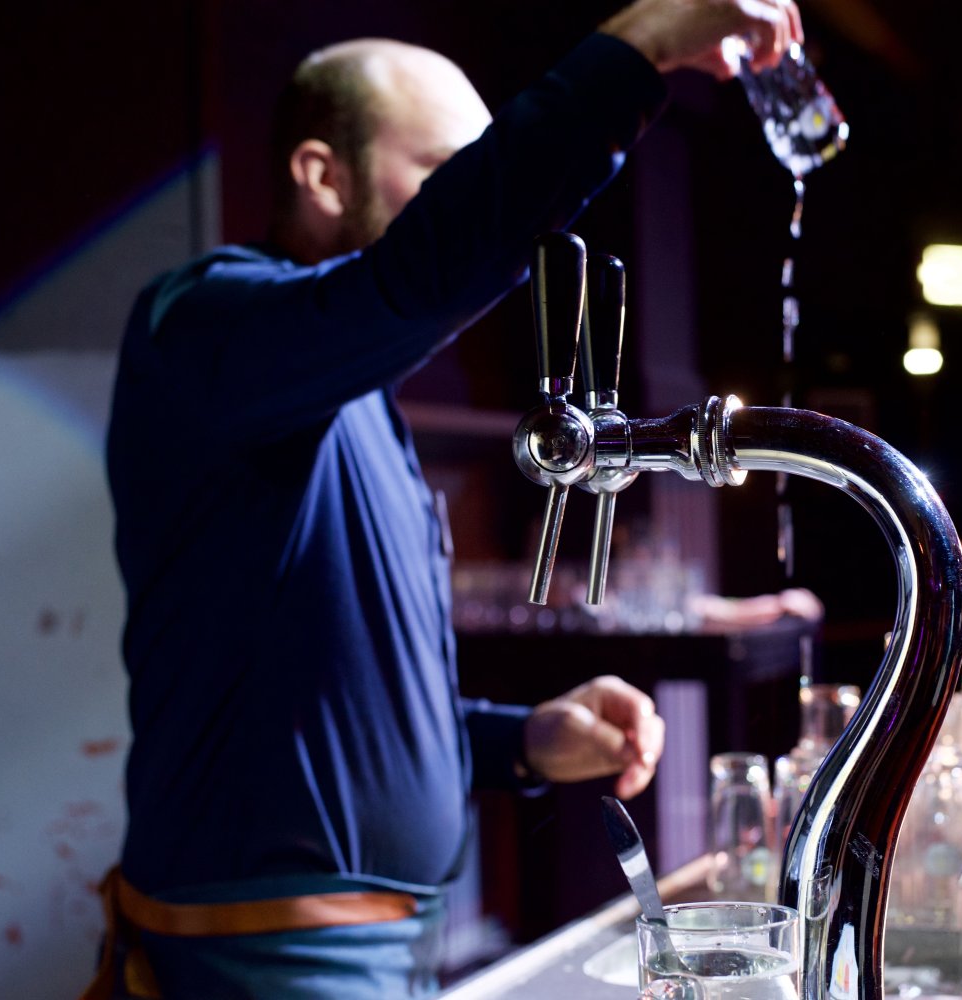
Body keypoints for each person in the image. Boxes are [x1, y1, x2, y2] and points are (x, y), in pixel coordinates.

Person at [93, 1, 804, 997]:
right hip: (264, 951)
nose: (467, 204)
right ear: (322, 175)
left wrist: (522, 740)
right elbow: (422, 273)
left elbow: (333, 706)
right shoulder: (202, 325)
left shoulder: (346, 396)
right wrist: (641, 46)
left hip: (388, 945)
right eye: (443, 174)